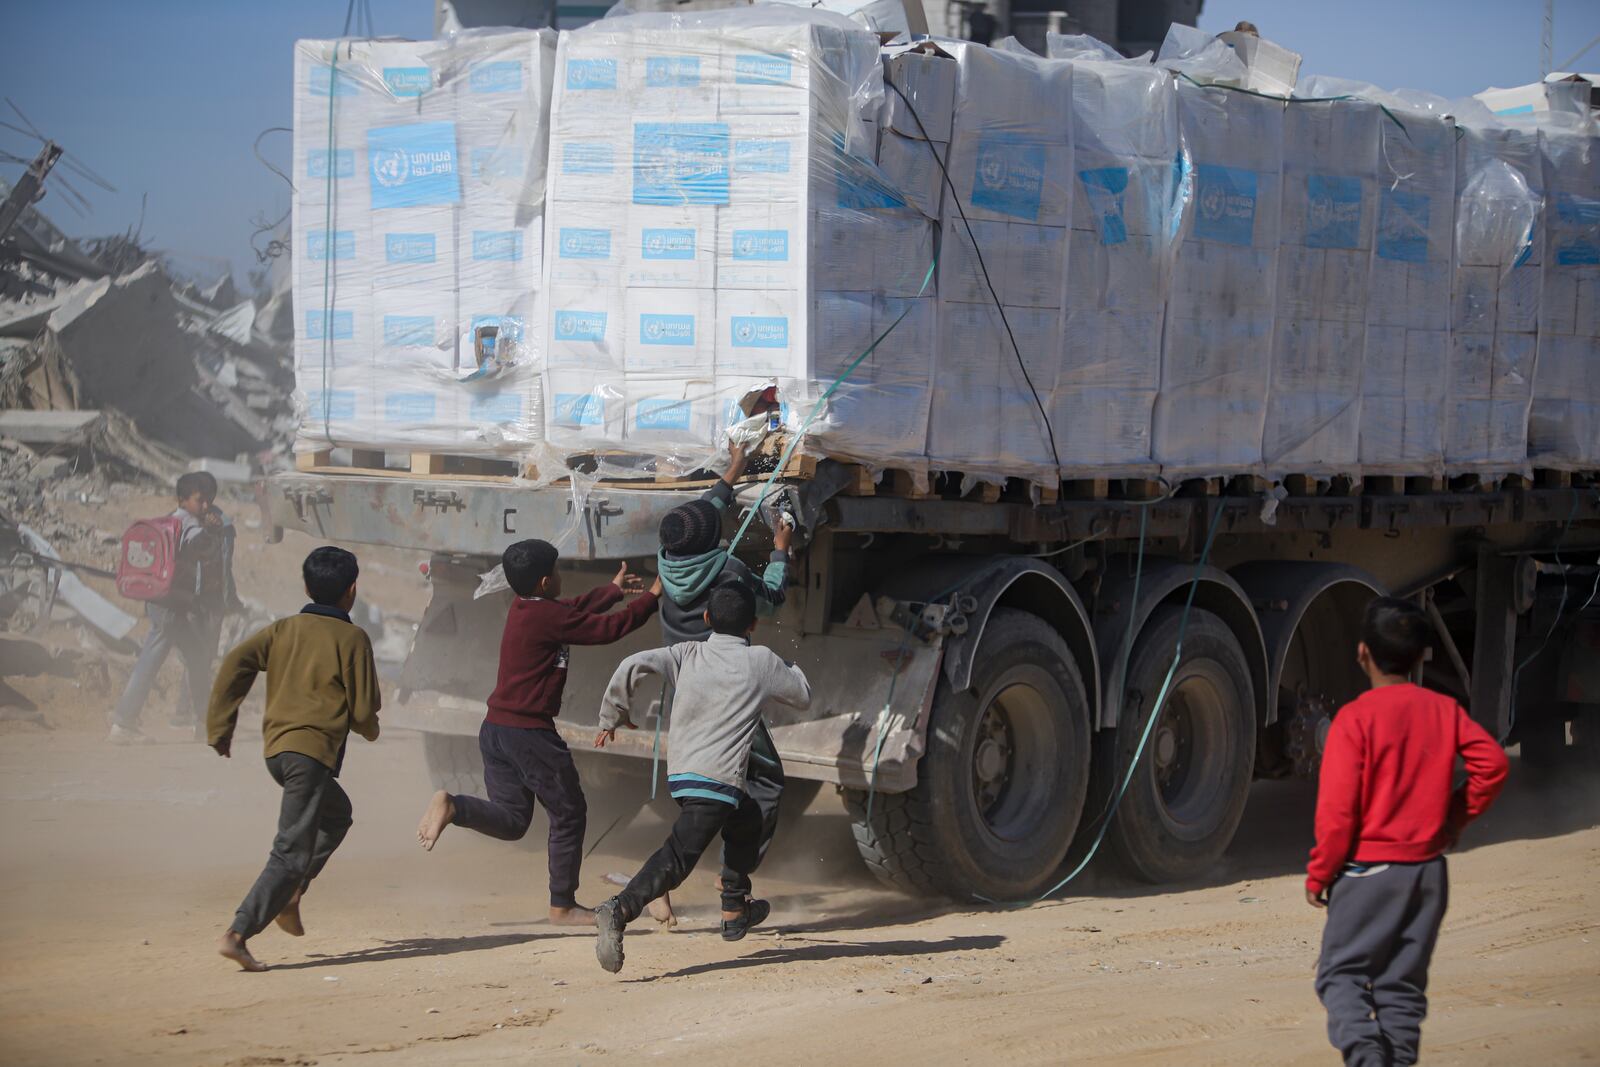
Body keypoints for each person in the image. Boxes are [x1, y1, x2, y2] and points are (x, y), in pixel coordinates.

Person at [415, 539, 661, 927]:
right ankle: (562, 906)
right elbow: (608, 629)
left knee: (514, 820)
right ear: (546, 581)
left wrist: (613, 590)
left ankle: (455, 806)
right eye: (560, 573)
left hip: (496, 729)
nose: (562, 579)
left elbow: (573, 610)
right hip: (528, 735)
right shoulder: (547, 616)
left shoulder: (526, 608)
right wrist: (652, 597)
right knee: (570, 814)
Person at [1307, 596, 1509, 1067]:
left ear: (1362, 654)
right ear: (1421, 657)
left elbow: (1337, 814)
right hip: (1427, 874)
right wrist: (1454, 818)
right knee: (1401, 987)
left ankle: (1366, 1059)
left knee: (1340, 976)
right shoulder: (1443, 710)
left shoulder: (1353, 720)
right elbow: (1493, 764)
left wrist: (1320, 874)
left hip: (1366, 877)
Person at [592, 582, 811, 974]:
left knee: (747, 819)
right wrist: (791, 666)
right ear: (754, 625)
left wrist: (613, 714)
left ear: (707, 619)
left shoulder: (686, 652)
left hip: (685, 775)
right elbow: (802, 696)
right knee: (677, 859)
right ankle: (619, 909)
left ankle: (733, 909)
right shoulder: (760, 660)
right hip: (716, 781)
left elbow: (632, 663)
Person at [208, 546, 381, 972]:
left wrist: (221, 727)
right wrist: (370, 728)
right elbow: (363, 713)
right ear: (352, 590)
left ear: (306, 586)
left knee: (337, 815)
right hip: (310, 756)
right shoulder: (353, 638)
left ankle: (293, 892)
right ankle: (238, 932)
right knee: (289, 850)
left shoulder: (284, 629)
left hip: (277, 752)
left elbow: (236, 662)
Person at [656, 443, 793, 886]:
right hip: (727, 691)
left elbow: (702, 513)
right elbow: (770, 599)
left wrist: (735, 466)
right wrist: (779, 550)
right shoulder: (729, 571)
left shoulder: (667, 559)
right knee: (766, 779)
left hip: (687, 689)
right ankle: (735, 871)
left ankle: (665, 881)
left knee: (697, 790)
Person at [109, 470, 232, 744]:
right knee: (152, 661)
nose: (205, 506)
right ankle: (124, 723)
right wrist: (213, 531)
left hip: (162, 604)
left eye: (209, 500)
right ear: (182, 499)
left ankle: (203, 723)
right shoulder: (188, 523)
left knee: (196, 658)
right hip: (169, 609)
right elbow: (201, 546)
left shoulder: (169, 520)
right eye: (199, 500)